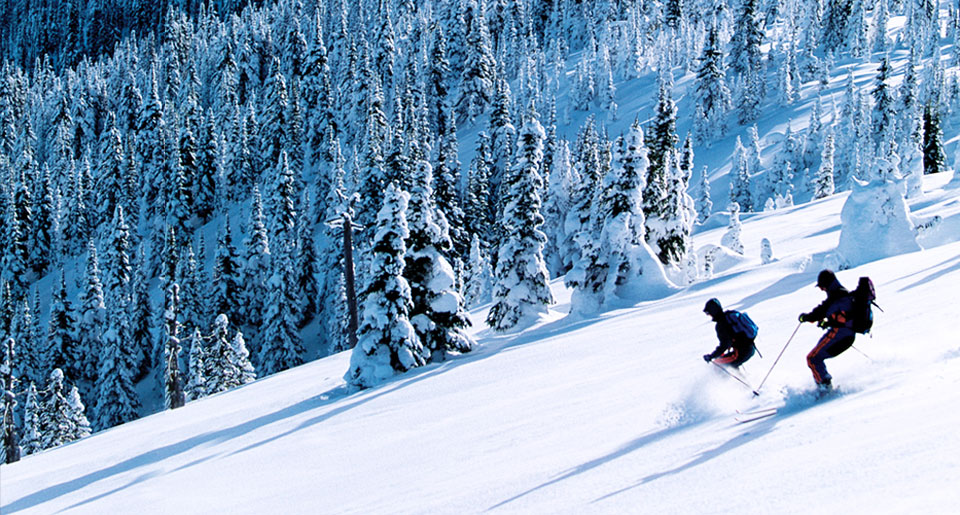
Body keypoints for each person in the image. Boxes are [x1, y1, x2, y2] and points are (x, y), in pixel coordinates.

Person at [798, 270, 856, 392]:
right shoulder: (840, 293)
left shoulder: (836, 296)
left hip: (841, 335)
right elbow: (840, 314)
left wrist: (806, 317)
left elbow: (821, 311)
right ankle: (824, 385)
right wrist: (829, 322)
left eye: (822, 287)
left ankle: (825, 389)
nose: (821, 289)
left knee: (812, 358)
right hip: (846, 334)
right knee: (815, 357)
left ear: (826, 284)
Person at [702, 298, 756, 368]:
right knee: (729, 363)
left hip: (741, 352)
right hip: (750, 348)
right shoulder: (729, 316)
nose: (709, 315)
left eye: (709, 313)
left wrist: (712, 356)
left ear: (713, 312)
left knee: (718, 365)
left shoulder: (721, 324)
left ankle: (731, 379)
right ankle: (745, 378)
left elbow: (725, 344)